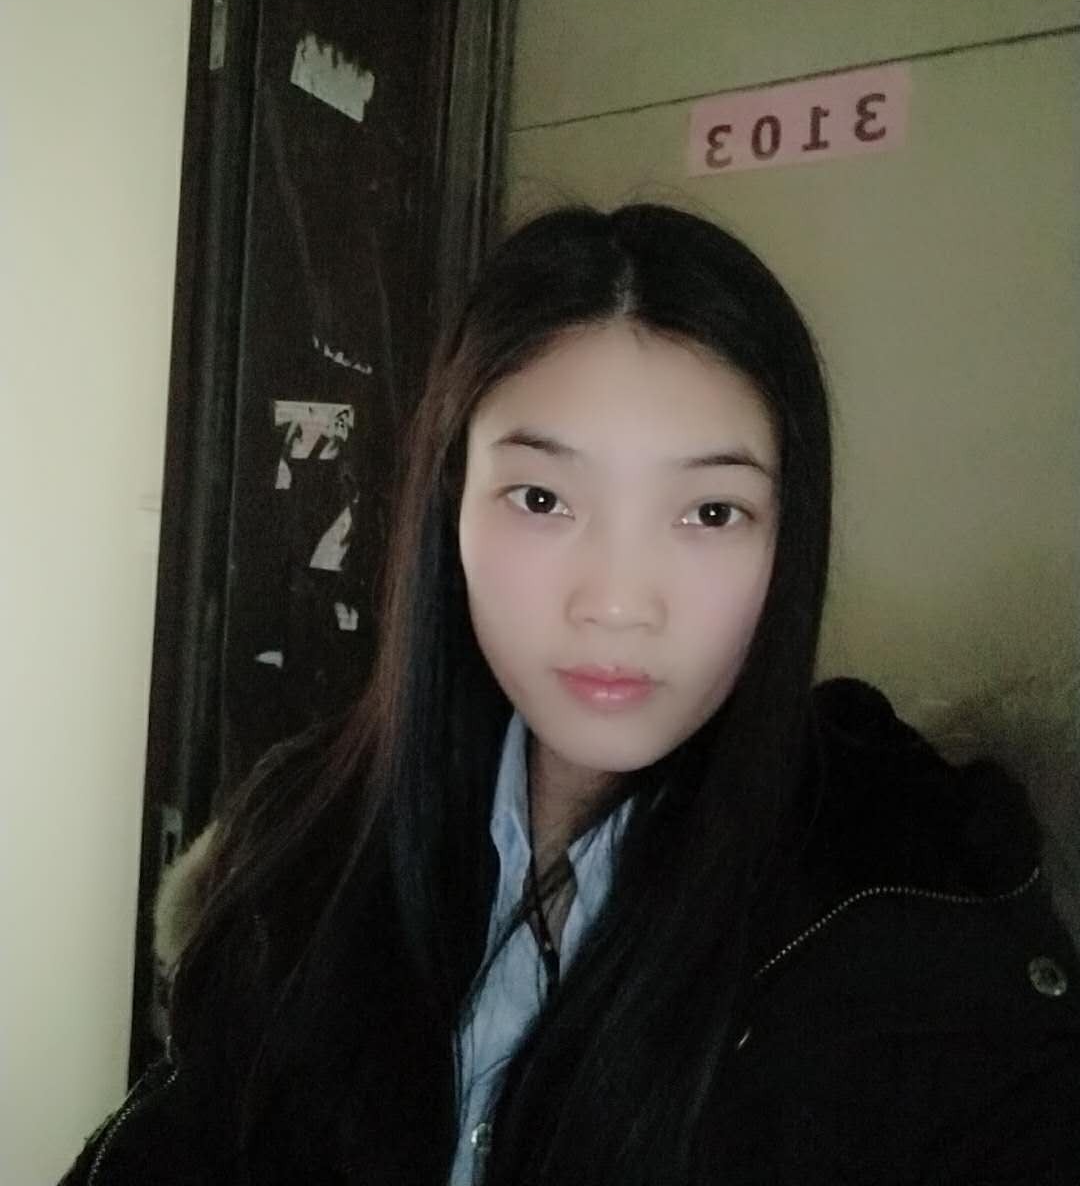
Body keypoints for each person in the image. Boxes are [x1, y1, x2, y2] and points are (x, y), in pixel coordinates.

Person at [62, 205, 1080, 1186]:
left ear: (788, 537)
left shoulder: (916, 913)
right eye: (543, 498)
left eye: (711, 511)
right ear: (451, 506)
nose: (618, 604)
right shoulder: (308, 831)